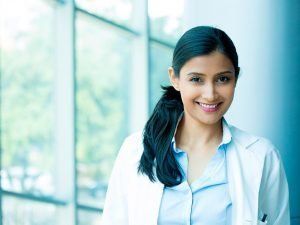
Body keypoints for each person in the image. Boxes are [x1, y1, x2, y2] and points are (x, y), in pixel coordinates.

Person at [101, 26, 290, 225]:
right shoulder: (134, 150)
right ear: (175, 78)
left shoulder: (262, 156)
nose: (210, 94)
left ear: (235, 78)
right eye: (196, 79)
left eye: (223, 79)